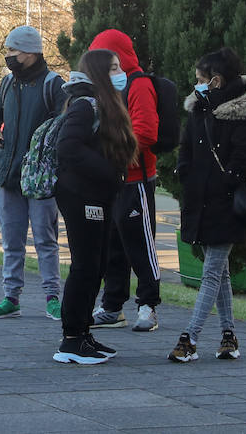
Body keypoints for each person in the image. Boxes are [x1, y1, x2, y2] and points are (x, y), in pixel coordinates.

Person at [169, 48, 246, 363]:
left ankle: (190, 337)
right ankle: (229, 335)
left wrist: (224, 181)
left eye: (200, 80)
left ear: (216, 81)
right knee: (220, 272)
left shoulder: (241, 115)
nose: (195, 85)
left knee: (211, 272)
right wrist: (185, 172)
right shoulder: (199, 109)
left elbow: (245, 158)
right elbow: (186, 147)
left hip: (224, 204)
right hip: (201, 199)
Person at [53, 49, 136, 365]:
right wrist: (110, 172)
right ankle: (71, 340)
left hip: (96, 195)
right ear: (100, 72)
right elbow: (68, 146)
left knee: (98, 264)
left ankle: (83, 333)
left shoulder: (103, 104)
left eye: (120, 67)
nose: (120, 72)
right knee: (86, 265)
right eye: (113, 67)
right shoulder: (86, 106)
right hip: (80, 195)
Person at [0, 25, 67, 321]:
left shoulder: (54, 84)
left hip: (40, 178)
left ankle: (52, 297)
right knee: (11, 239)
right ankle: (11, 297)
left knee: (46, 239)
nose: (9, 56)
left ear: (31, 52)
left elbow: (66, 121)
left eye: (13, 51)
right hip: (7, 174)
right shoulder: (8, 83)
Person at [89, 29, 163, 333]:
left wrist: (111, 153)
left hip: (135, 179)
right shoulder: (105, 88)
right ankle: (112, 306)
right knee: (112, 247)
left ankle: (148, 306)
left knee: (140, 246)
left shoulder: (138, 84)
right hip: (113, 179)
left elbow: (146, 132)